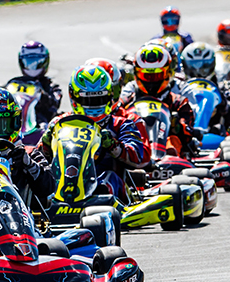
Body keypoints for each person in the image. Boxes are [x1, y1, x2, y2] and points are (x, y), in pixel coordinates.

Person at [39, 66, 148, 202]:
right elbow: (39, 160)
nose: (93, 107)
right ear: (74, 98)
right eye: (87, 101)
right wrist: (46, 146)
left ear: (109, 97)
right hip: (62, 183)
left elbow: (138, 158)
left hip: (104, 184)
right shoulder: (59, 123)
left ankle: (102, 199)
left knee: (108, 179)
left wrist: (114, 146)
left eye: (98, 100)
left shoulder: (121, 124)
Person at [0, 87, 54, 205]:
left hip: (20, 217)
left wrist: (29, 164)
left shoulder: (29, 153)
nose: (0, 131)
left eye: (6, 124)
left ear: (17, 122)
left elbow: (49, 188)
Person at [118, 43, 197, 159]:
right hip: (133, 148)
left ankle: (166, 162)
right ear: (136, 74)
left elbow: (188, 134)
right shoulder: (126, 101)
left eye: (156, 76)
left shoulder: (178, 102)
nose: (151, 82)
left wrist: (178, 126)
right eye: (147, 76)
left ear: (168, 73)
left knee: (173, 142)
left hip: (166, 149)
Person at [181, 42, 230, 135]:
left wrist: (221, 104)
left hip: (214, 134)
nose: (198, 72)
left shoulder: (219, 86)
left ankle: (201, 129)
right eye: (193, 67)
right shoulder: (180, 86)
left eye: (203, 67)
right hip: (185, 133)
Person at [13, 40, 62, 126]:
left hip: (39, 125)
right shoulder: (14, 83)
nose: (32, 66)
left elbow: (54, 105)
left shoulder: (51, 86)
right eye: (28, 62)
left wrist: (41, 94)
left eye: (36, 62)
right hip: (15, 121)